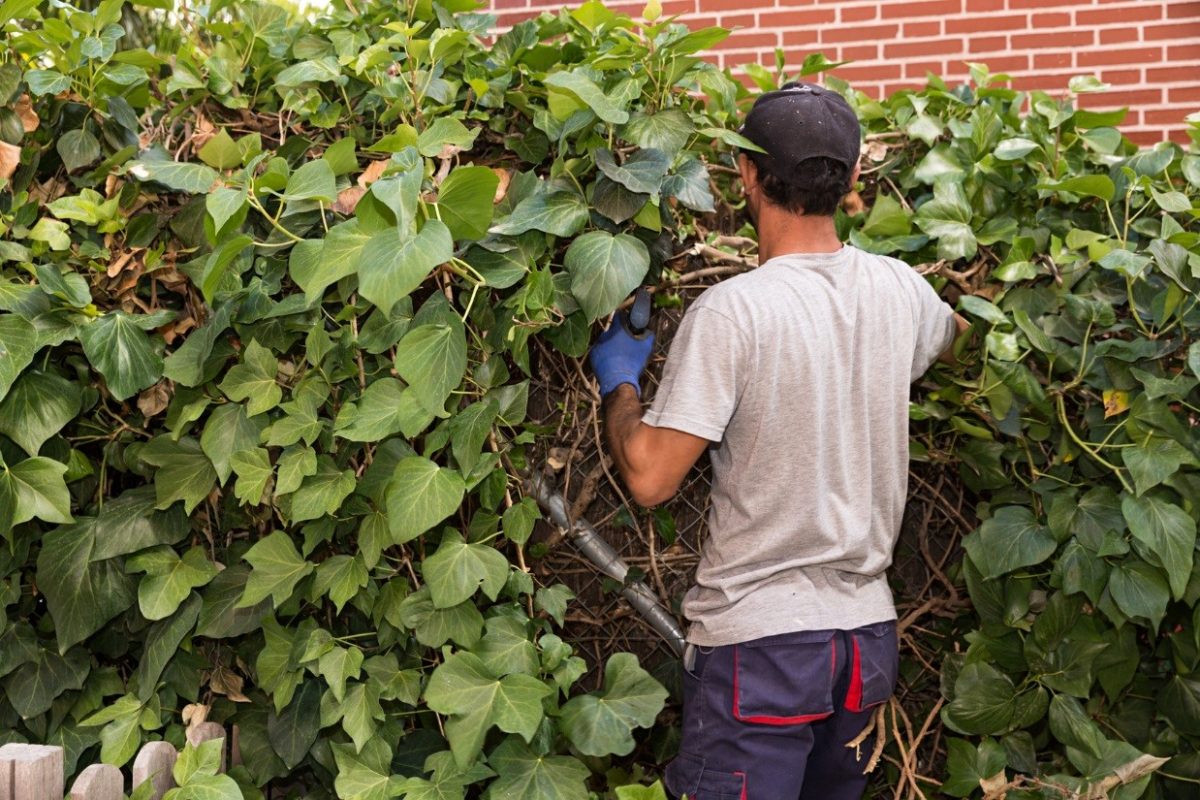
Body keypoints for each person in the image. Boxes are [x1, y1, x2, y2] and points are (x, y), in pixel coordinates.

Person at [588, 82, 968, 800]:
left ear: (747, 176)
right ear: (854, 179)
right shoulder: (901, 290)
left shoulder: (734, 312)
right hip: (864, 646)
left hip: (762, 651)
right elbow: (960, 340)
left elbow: (649, 478)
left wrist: (620, 383)